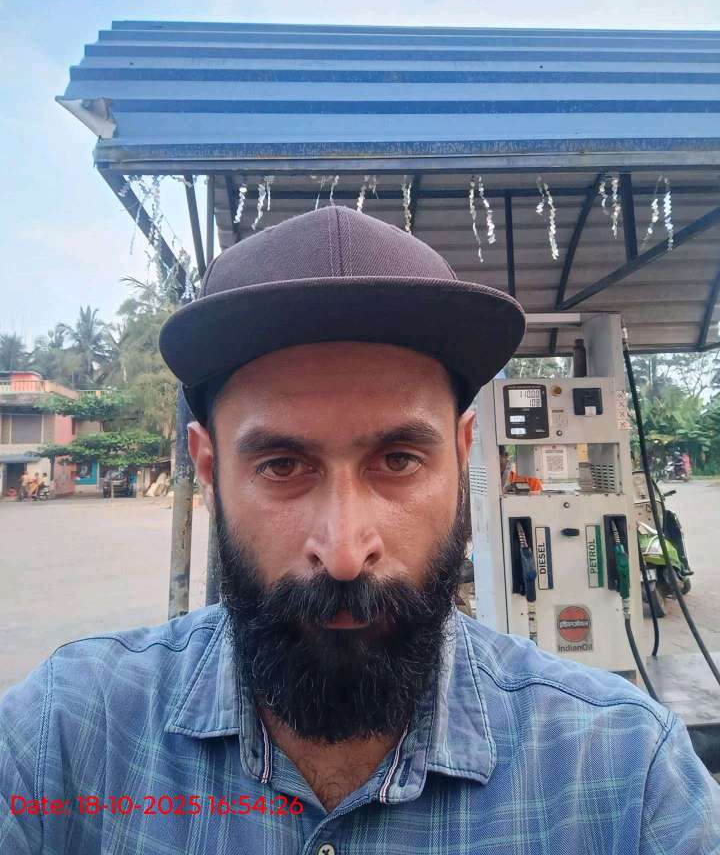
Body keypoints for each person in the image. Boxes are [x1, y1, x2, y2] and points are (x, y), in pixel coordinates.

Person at [0, 206, 717, 854]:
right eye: (282, 465)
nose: (345, 552)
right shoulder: (64, 739)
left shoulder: (626, 774)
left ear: (463, 453)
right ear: (209, 471)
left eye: (399, 460)